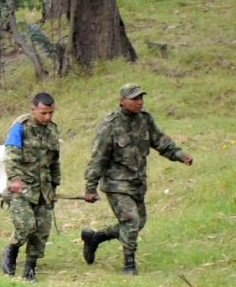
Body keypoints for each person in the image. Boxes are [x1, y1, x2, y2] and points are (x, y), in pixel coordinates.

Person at [81, 83, 193, 275]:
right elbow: (98, 158)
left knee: (138, 222)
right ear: (122, 101)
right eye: (134, 99)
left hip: (137, 182)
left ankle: (96, 238)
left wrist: (180, 155)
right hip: (116, 184)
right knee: (131, 221)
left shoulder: (145, 120)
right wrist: (90, 187)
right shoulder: (110, 125)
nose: (139, 102)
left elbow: (161, 141)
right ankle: (129, 265)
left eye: (141, 98)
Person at [1, 93, 61, 281]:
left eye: (51, 113)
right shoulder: (20, 126)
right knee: (26, 226)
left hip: (44, 190)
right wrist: (15, 179)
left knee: (41, 231)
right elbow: (11, 155)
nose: (47, 117)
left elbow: (54, 162)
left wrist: (54, 187)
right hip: (22, 188)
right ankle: (11, 250)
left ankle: (30, 268)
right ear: (33, 109)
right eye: (43, 113)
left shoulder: (52, 130)